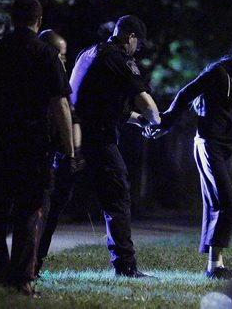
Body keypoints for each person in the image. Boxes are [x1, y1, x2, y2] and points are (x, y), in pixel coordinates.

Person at [0, 0, 74, 297]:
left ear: (12, 17)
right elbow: (59, 104)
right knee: (29, 212)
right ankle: (21, 280)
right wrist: (70, 151)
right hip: (33, 143)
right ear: (39, 21)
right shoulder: (46, 55)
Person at [144, 45, 232, 279]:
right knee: (228, 205)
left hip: (222, 147)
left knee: (216, 204)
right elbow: (185, 94)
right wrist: (165, 123)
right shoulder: (218, 73)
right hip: (209, 145)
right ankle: (214, 266)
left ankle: (215, 265)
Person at [70, 15, 161, 277]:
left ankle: (32, 264)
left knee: (55, 200)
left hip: (71, 137)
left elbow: (101, 104)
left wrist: (136, 120)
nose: (138, 50)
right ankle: (125, 266)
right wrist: (156, 120)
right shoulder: (119, 59)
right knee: (118, 196)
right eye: (139, 45)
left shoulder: (89, 53)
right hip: (98, 139)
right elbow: (147, 105)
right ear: (131, 38)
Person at [34, 29, 84, 276]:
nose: (63, 60)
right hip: (46, 154)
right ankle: (29, 265)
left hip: (63, 156)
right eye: (60, 54)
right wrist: (70, 152)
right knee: (40, 212)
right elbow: (61, 112)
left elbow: (72, 117)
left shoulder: (61, 77)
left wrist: (74, 152)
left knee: (52, 214)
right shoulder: (40, 77)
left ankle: (37, 262)